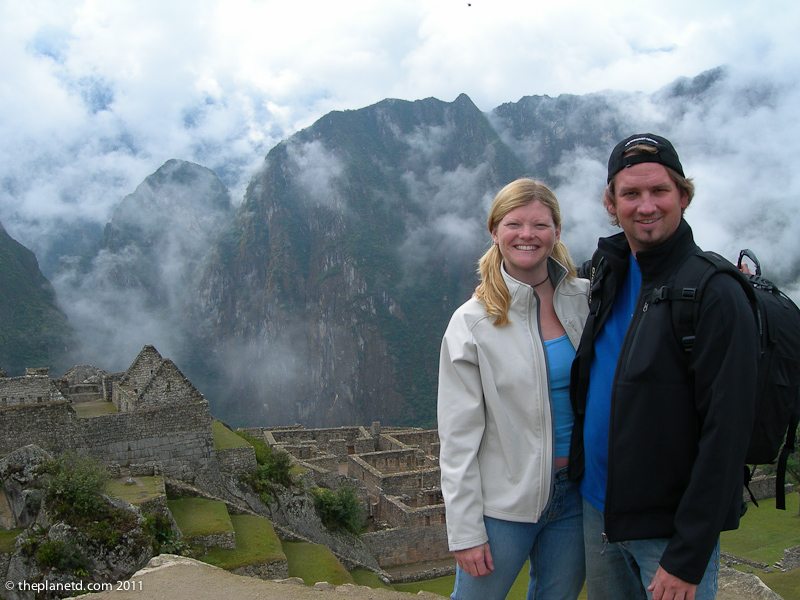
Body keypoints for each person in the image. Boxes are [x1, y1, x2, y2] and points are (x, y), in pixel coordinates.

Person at [568, 133, 758, 600]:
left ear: (684, 197)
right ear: (611, 204)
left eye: (659, 191)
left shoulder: (714, 292)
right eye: (630, 194)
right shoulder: (607, 270)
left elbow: (727, 432)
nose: (645, 205)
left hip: (668, 531)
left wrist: (688, 556)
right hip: (599, 511)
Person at [438, 178, 589, 599]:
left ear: (556, 231)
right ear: (495, 231)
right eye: (514, 224)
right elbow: (457, 436)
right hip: (503, 505)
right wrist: (465, 529)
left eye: (540, 225)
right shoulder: (472, 322)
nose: (527, 235)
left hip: (575, 496)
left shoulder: (586, 301)